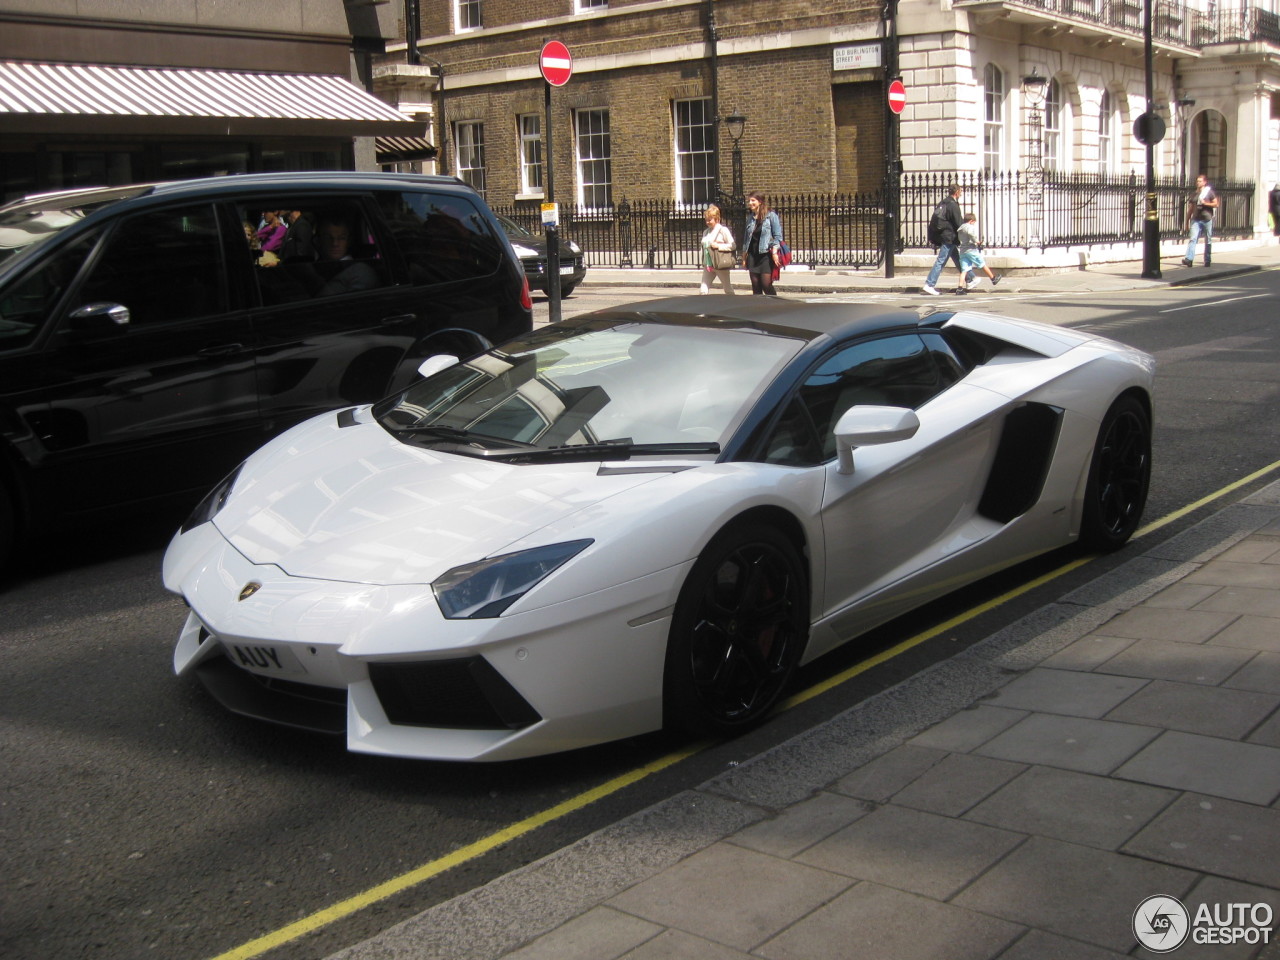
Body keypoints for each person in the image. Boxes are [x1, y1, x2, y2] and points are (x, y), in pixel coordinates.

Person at [923, 183, 976, 295]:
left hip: (946, 236)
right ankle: (929, 284)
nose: (961, 193)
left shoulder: (943, 202)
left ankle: (970, 278)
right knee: (941, 261)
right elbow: (959, 223)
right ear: (957, 192)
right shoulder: (953, 205)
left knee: (957, 259)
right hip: (949, 237)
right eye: (960, 191)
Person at [314, 216, 379, 296]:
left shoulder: (360, 272)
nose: (335, 243)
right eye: (328, 237)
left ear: (349, 241)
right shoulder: (316, 266)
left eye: (341, 238)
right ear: (318, 241)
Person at [742, 192, 783, 295]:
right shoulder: (750, 218)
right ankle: (759, 309)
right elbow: (746, 239)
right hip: (752, 255)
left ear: (760, 202)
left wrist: (774, 252)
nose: (750, 203)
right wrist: (744, 257)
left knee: (766, 285)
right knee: (755, 286)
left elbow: (778, 236)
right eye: (749, 201)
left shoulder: (771, 216)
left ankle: (776, 305)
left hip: (765, 255)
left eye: (753, 200)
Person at [1181, 173, 1218, 266]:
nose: (1198, 183)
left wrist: (1206, 203)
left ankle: (1207, 259)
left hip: (1207, 219)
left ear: (1205, 182)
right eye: (1197, 181)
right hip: (1196, 219)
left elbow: (1216, 204)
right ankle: (1189, 259)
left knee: (1208, 240)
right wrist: (1186, 222)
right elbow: (1190, 209)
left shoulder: (1209, 192)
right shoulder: (1194, 194)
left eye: (1200, 181)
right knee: (1193, 239)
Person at [699, 204, 737, 295]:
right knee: (703, 289)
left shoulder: (723, 230)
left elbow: (733, 245)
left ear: (717, 219)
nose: (707, 222)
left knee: (727, 289)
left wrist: (718, 246)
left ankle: (734, 303)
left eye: (710, 220)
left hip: (720, 264)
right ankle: (703, 306)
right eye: (706, 220)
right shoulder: (706, 232)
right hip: (709, 265)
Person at [957, 213, 1000, 288]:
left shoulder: (960, 228)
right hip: (971, 250)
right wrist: (976, 241)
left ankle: (960, 288)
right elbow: (970, 233)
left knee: (964, 270)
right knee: (982, 264)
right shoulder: (969, 227)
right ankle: (993, 278)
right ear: (971, 221)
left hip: (963, 251)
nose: (974, 224)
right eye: (974, 222)